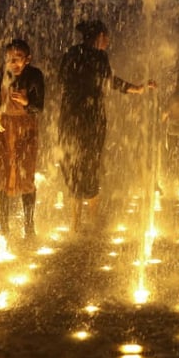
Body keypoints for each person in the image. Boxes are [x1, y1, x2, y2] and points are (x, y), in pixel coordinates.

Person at [57, 20, 153, 231]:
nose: (108, 40)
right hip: (91, 118)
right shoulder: (99, 57)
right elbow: (109, 80)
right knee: (90, 164)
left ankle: (75, 224)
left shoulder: (71, 53)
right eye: (106, 36)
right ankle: (92, 220)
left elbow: (61, 81)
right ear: (99, 36)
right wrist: (136, 89)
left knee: (72, 165)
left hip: (69, 117)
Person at [0, 39, 44, 241]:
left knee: (25, 175)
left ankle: (29, 226)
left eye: (17, 59)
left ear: (27, 59)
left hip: (26, 129)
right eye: (9, 58)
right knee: (2, 175)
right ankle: (4, 225)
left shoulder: (35, 76)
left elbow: (40, 107)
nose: (13, 63)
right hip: (2, 130)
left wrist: (27, 102)